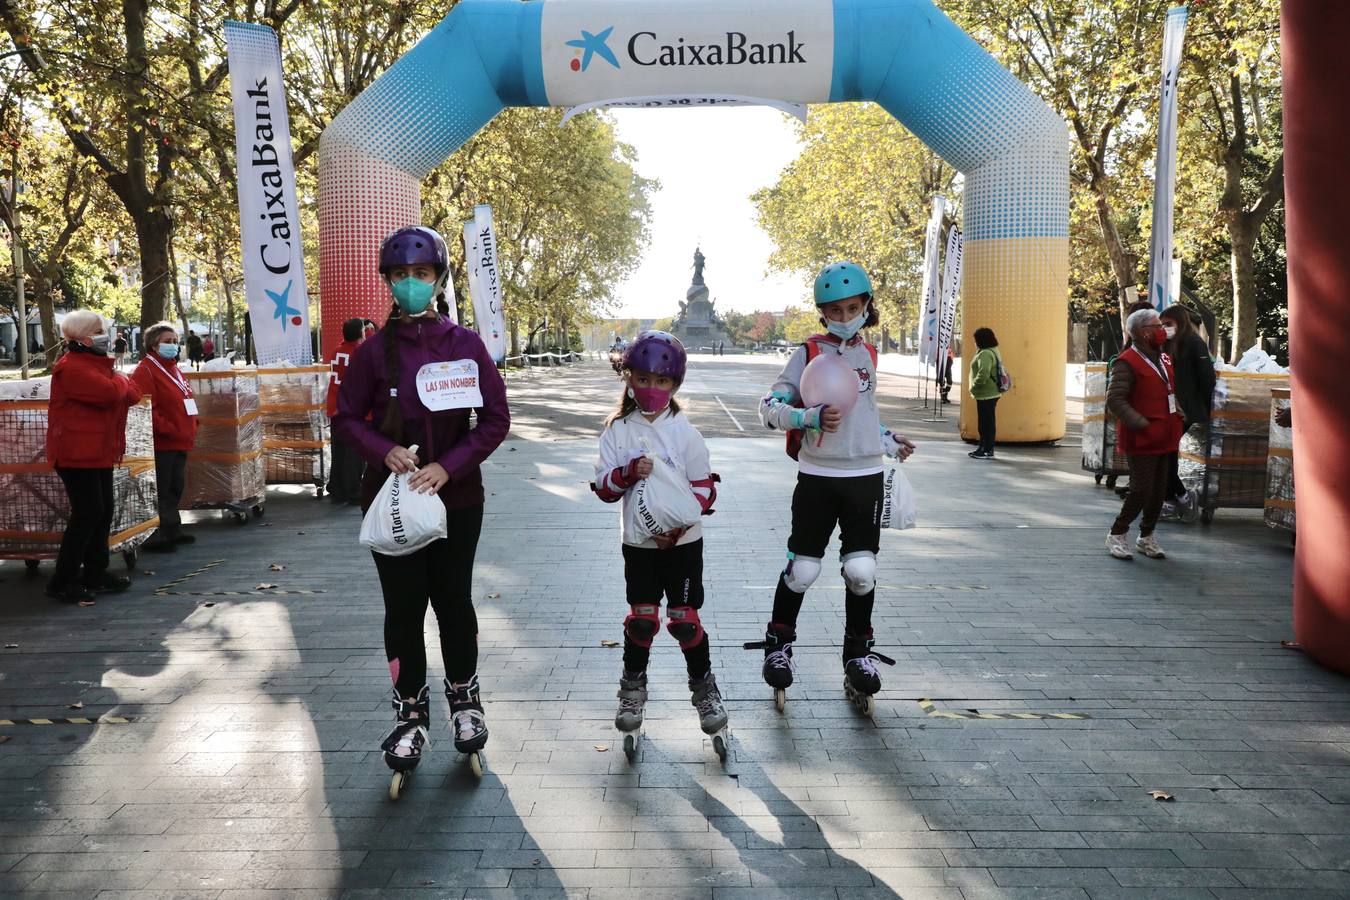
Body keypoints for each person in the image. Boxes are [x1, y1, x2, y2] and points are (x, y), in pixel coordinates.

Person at [333, 225, 510, 784]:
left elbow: (496, 421)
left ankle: (465, 702)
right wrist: (382, 450)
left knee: (454, 601)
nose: (412, 284)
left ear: (438, 280)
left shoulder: (465, 346)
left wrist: (447, 466)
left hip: (456, 500)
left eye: (423, 274)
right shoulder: (370, 354)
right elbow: (343, 417)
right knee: (404, 608)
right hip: (389, 505)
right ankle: (411, 714)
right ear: (388, 281)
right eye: (401, 275)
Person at [753, 261, 916, 715]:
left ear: (866, 306)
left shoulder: (871, 354)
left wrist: (888, 440)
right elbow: (767, 407)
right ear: (822, 313)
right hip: (818, 478)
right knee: (803, 570)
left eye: (852, 307)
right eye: (834, 310)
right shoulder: (808, 352)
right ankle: (778, 645)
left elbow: (862, 413)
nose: (845, 316)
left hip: (864, 478)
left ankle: (858, 655)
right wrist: (804, 417)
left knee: (861, 571)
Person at [591, 331, 727, 754]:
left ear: (675, 385)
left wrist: (679, 524)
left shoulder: (686, 433)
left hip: (684, 544)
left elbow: (705, 489)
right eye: (644, 379)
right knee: (644, 620)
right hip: (639, 543)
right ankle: (632, 691)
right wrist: (628, 473)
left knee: (685, 620)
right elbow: (603, 487)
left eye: (662, 381)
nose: (653, 389)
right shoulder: (617, 431)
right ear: (629, 378)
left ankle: (705, 692)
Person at [44, 310, 144, 602]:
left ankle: (95, 574)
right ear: (85, 338)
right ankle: (63, 580)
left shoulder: (96, 364)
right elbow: (111, 394)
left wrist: (121, 381)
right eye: (100, 330)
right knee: (88, 514)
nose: (106, 335)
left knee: (101, 513)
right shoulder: (72, 367)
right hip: (77, 453)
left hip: (98, 450)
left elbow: (134, 394)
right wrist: (121, 380)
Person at [1105, 308, 1185, 560]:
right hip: (1142, 437)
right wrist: (1139, 422)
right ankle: (1117, 533)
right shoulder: (1127, 361)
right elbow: (1115, 399)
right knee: (1141, 489)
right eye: (1157, 326)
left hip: (1165, 434)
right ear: (1142, 332)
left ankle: (1146, 535)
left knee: (1159, 490)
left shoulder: (1163, 358)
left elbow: (1167, 390)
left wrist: (1179, 411)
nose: (1163, 330)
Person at [131, 322, 200, 553]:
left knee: (174, 487)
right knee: (160, 488)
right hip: (163, 441)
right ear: (153, 344)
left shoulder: (173, 367)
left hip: (180, 438)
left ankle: (172, 528)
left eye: (175, 341)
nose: (173, 346)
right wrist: (168, 428)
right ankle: (155, 534)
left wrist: (192, 423)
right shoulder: (147, 369)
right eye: (167, 342)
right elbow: (145, 407)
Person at [1159, 305, 1216, 521]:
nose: (1165, 328)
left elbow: (1207, 380)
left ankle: (1180, 497)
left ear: (1180, 323)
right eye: (1162, 324)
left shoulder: (1194, 344)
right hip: (1170, 407)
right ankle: (1174, 498)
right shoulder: (1166, 345)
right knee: (1165, 454)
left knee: (1166, 454)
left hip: (1185, 410)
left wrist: (1195, 407)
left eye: (1169, 324)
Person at [325, 317, 367, 505]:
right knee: (354, 453)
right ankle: (353, 490)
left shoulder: (336, 352)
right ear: (360, 334)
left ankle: (336, 488)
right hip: (353, 408)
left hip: (335, 406)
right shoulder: (360, 354)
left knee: (338, 450)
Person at [967, 327, 1002, 459]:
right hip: (988, 393)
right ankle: (983, 447)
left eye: (975, 340)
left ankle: (987, 449)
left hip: (986, 393)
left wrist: (974, 387)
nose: (974, 342)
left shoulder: (985, 353)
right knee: (985, 422)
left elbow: (983, 373)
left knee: (986, 423)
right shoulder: (993, 350)